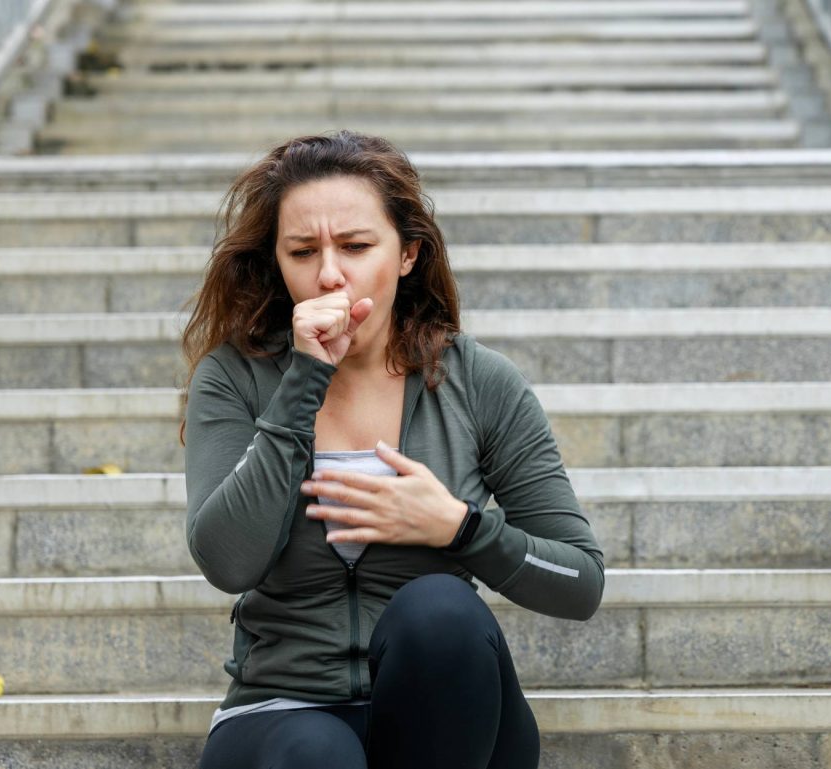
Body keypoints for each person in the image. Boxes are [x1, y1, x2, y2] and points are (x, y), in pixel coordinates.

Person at [179, 130, 605, 769]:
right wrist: (301, 382)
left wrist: (457, 529)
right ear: (277, 260)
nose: (328, 272)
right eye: (302, 251)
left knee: (441, 611)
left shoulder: (478, 382)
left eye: (355, 246)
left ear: (407, 254)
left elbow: (580, 583)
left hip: (449, 722)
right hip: (282, 713)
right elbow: (226, 562)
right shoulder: (236, 378)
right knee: (315, 754)